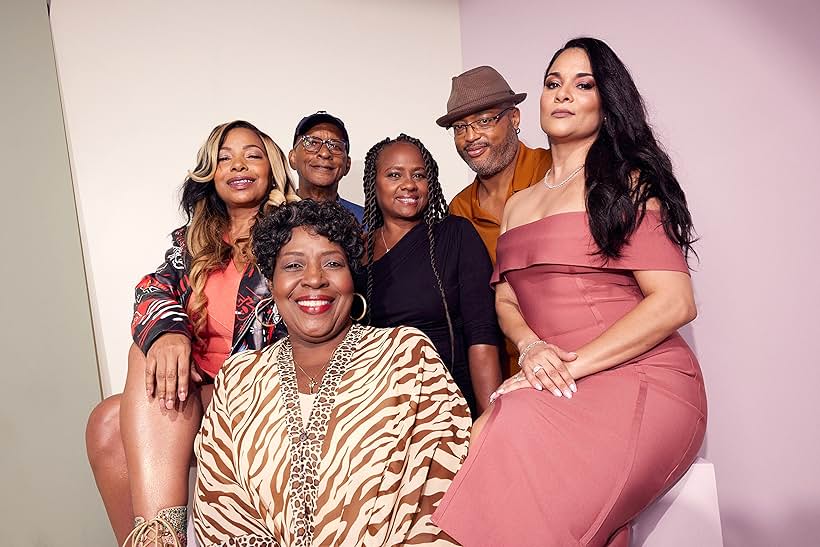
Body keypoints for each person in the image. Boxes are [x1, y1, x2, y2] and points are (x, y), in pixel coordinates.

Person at [432, 38, 707, 547]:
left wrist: (565, 368)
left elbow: (675, 303)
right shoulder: (519, 204)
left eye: (583, 86)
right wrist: (533, 350)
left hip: (640, 377)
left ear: (607, 103)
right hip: (556, 377)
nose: (563, 95)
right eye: (553, 84)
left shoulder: (629, 182)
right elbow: (507, 299)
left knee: (513, 425)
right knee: (485, 435)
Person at [193, 199, 470, 546]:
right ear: (272, 282)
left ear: (351, 279)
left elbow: (444, 491)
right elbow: (219, 512)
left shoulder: (407, 355)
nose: (313, 279)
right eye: (293, 265)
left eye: (332, 263)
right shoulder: (240, 378)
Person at [85, 120, 299, 546]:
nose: (238, 164)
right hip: (198, 389)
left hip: (263, 390)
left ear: (272, 168)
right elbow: (154, 286)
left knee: (137, 363)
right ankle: (156, 538)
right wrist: (169, 332)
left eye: (252, 154)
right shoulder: (193, 241)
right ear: (211, 174)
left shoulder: (293, 233)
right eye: (224, 157)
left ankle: (159, 538)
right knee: (106, 422)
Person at [359, 134, 502, 416]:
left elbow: (481, 335)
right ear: (374, 184)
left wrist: (490, 420)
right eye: (394, 174)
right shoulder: (357, 251)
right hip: (381, 408)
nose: (409, 184)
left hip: (449, 403)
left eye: (419, 175)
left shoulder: (455, 235)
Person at [438, 66, 552, 377]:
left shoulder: (553, 170)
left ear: (514, 118)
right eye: (460, 127)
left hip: (575, 355)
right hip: (504, 373)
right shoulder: (459, 209)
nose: (470, 136)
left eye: (484, 120)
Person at [289, 110, 364, 222]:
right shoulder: (270, 216)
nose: (324, 153)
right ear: (293, 158)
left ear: (347, 165)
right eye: (312, 143)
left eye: (335, 146)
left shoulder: (366, 223)